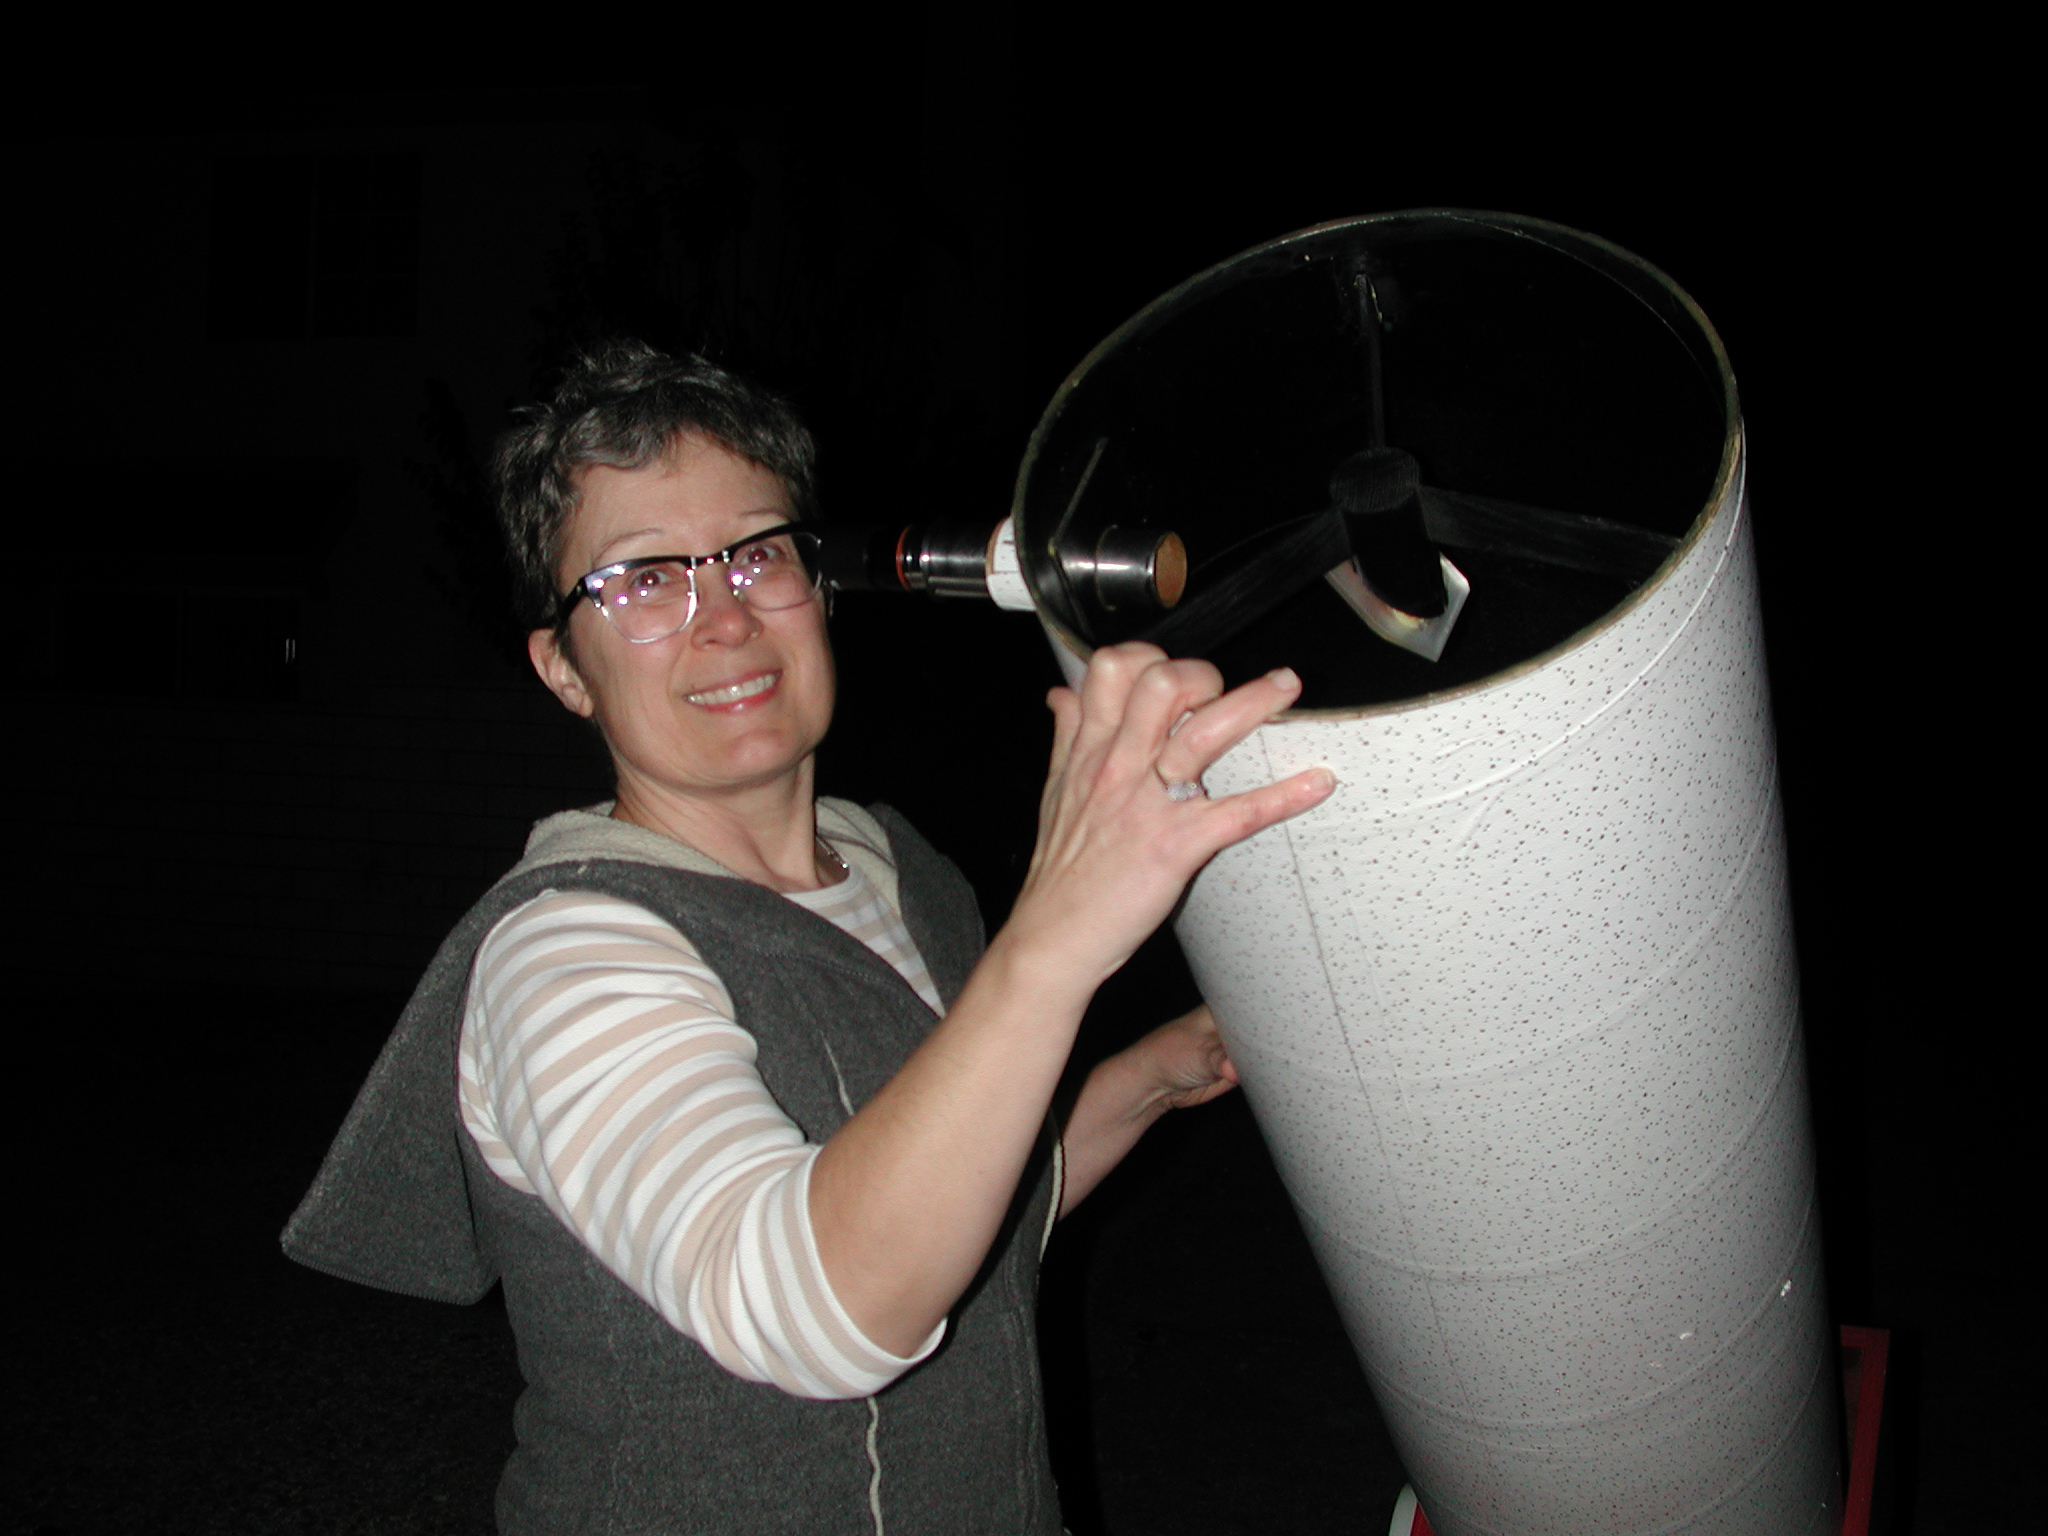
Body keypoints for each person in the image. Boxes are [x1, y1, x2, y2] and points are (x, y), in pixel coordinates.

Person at [283, 340, 1335, 1534]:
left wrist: (1165, 1067)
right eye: (639, 580)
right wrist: (1058, 933)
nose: (722, 619)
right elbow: (806, 1309)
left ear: (817, 586)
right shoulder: (565, 956)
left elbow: (968, 1199)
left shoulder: (899, 868)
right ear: (562, 670)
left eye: (754, 555)